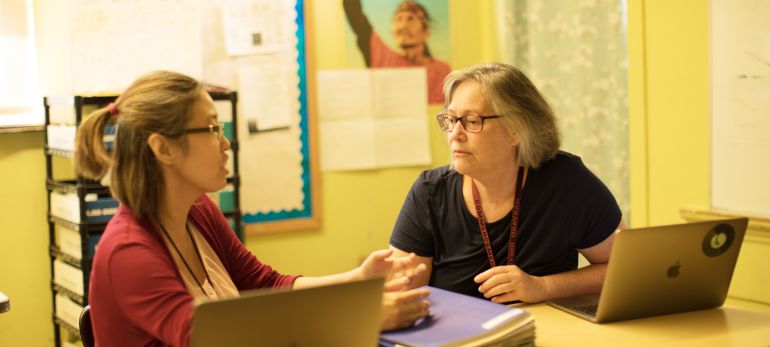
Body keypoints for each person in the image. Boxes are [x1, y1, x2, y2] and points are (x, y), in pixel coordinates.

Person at [74, 71, 430, 346]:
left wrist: (359, 280)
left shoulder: (198, 211)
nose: (225, 142)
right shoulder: (130, 251)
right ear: (163, 148)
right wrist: (362, 316)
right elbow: (219, 339)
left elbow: (265, 285)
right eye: (212, 128)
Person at [388, 63, 627, 304]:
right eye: (451, 120)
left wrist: (542, 287)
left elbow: (624, 269)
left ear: (517, 129)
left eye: (471, 121)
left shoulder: (567, 182)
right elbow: (404, 297)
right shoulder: (429, 193)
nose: (454, 134)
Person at [343, 0, 451, 104]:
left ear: (426, 32)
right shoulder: (384, 59)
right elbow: (355, 15)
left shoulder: (442, 71)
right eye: (398, 19)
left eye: (410, 19)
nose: (403, 26)